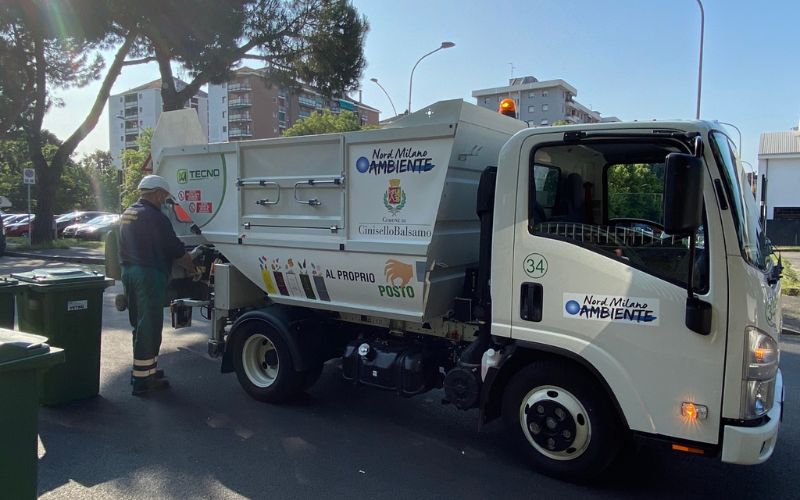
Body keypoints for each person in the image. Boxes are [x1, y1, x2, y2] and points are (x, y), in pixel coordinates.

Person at [119, 175, 196, 396]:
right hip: (148, 274)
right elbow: (175, 249)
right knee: (150, 326)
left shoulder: (128, 213)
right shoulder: (155, 218)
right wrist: (193, 268)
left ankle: (145, 371)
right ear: (156, 193)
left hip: (130, 272)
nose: (164, 199)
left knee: (139, 323)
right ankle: (143, 382)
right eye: (163, 195)